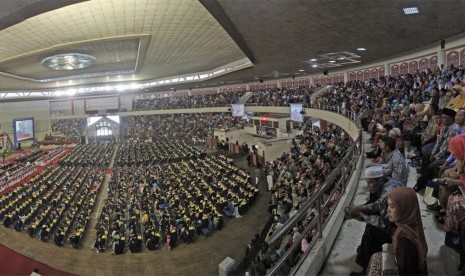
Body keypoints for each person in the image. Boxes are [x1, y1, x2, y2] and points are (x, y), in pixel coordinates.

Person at [345, 166, 404, 275]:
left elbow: (383, 224)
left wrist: (359, 214)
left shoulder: (387, 193)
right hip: (397, 223)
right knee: (370, 227)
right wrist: (360, 208)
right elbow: (377, 205)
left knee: (370, 232)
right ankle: (365, 253)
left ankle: (366, 270)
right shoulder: (390, 181)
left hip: (398, 231)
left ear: (380, 180)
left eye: (371, 183)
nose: (368, 186)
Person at [387, 187, 428, 274]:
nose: (388, 210)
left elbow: (405, 271)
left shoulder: (404, 239)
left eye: (392, 206)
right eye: (388, 205)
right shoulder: (412, 224)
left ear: (404, 208)